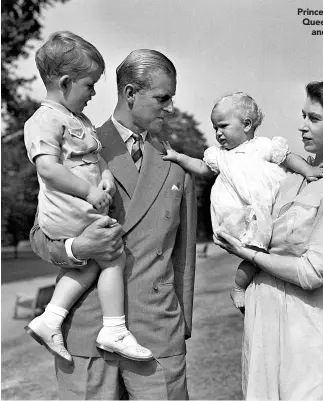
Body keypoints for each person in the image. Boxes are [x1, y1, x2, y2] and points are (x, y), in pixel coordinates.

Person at [29, 48, 197, 400]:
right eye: (162, 98)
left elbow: (184, 258)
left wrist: (180, 326)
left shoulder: (177, 166)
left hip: (157, 335)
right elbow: (41, 236)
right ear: (131, 93)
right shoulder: (72, 146)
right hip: (86, 333)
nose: (169, 108)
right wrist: (78, 248)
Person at [214, 78, 323, 399]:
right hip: (262, 319)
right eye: (303, 116)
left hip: (306, 325)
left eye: (314, 119)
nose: (302, 127)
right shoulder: (289, 179)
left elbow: (312, 272)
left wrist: (248, 254)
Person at [24, 31, 153, 365]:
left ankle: (50, 318)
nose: (93, 93)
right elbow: (49, 169)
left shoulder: (79, 120)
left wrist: (106, 175)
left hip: (80, 210)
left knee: (95, 262)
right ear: (66, 82)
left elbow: (96, 158)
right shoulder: (43, 120)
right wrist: (90, 191)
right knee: (112, 254)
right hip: (66, 211)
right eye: (90, 85)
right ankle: (114, 329)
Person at [163, 92, 323, 310]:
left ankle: (253, 288)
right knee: (256, 254)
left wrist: (308, 170)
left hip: (265, 210)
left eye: (223, 126)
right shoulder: (219, 155)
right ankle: (239, 288)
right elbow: (202, 168)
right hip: (238, 215)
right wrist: (179, 157)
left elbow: (288, 158)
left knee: (268, 253)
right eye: (215, 128)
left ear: (247, 124)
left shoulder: (263, 146)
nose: (218, 133)